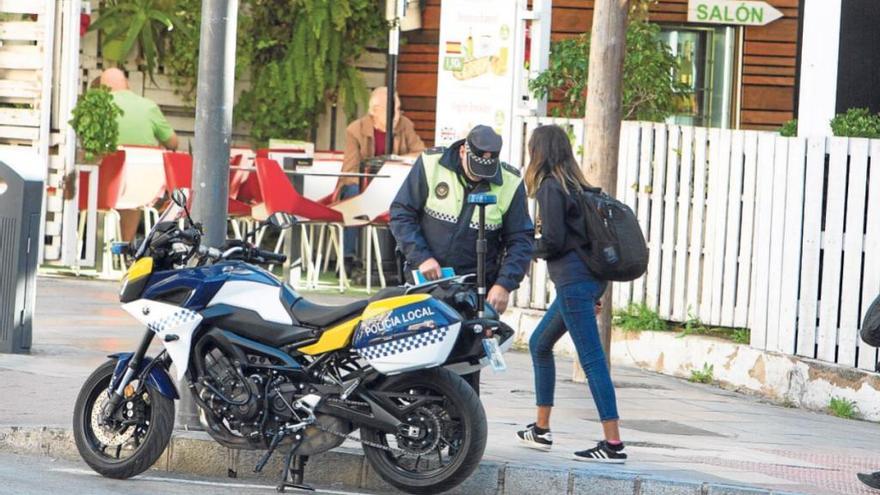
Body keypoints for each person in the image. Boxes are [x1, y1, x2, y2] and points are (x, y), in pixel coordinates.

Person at [389, 125, 533, 393]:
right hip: (426, 284)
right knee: (420, 365)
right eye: (476, 168)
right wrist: (422, 258)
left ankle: (462, 431)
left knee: (464, 370)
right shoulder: (432, 163)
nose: (481, 177)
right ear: (464, 150)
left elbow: (521, 240)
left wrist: (504, 284)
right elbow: (401, 212)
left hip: (472, 290)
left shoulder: (510, 182)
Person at [515, 125, 626, 463]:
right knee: (539, 344)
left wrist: (523, 248)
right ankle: (541, 429)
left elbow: (554, 241)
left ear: (540, 152)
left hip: (574, 285)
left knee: (592, 361)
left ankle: (613, 445)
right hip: (584, 283)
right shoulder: (577, 187)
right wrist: (597, 289)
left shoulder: (551, 188)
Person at [341, 87, 425, 272]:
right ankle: (349, 256)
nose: (396, 115)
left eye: (398, 109)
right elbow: (349, 170)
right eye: (392, 110)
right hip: (362, 185)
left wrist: (398, 161)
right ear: (375, 110)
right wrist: (370, 188)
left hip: (393, 185)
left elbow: (420, 152)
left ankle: (406, 257)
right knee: (353, 195)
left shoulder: (405, 125)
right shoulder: (356, 130)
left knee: (414, 199)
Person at [100, 68, 179, 242]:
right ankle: (126, 247)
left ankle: (100, 246)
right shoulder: (148, 106)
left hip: (106, 188)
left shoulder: (100, 108)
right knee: (133, 192)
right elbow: (173, 143)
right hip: (144, 189)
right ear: (127, 84)